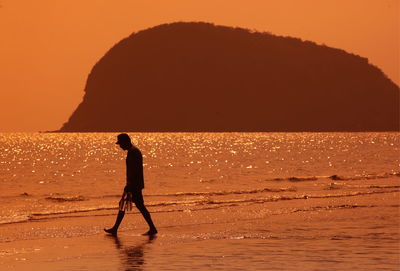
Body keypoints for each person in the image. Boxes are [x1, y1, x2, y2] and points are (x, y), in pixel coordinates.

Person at [104, 133, 157, 235]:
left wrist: (129, 185)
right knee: (129, 205)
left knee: (127, 205)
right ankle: (152, 228)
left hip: (134, 185)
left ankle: (152, 228)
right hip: (135, 184)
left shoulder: (133, 152)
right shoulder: (133, 151)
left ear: (125, 142)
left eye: (120, 144)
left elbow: (134, 170)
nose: (120, 146)